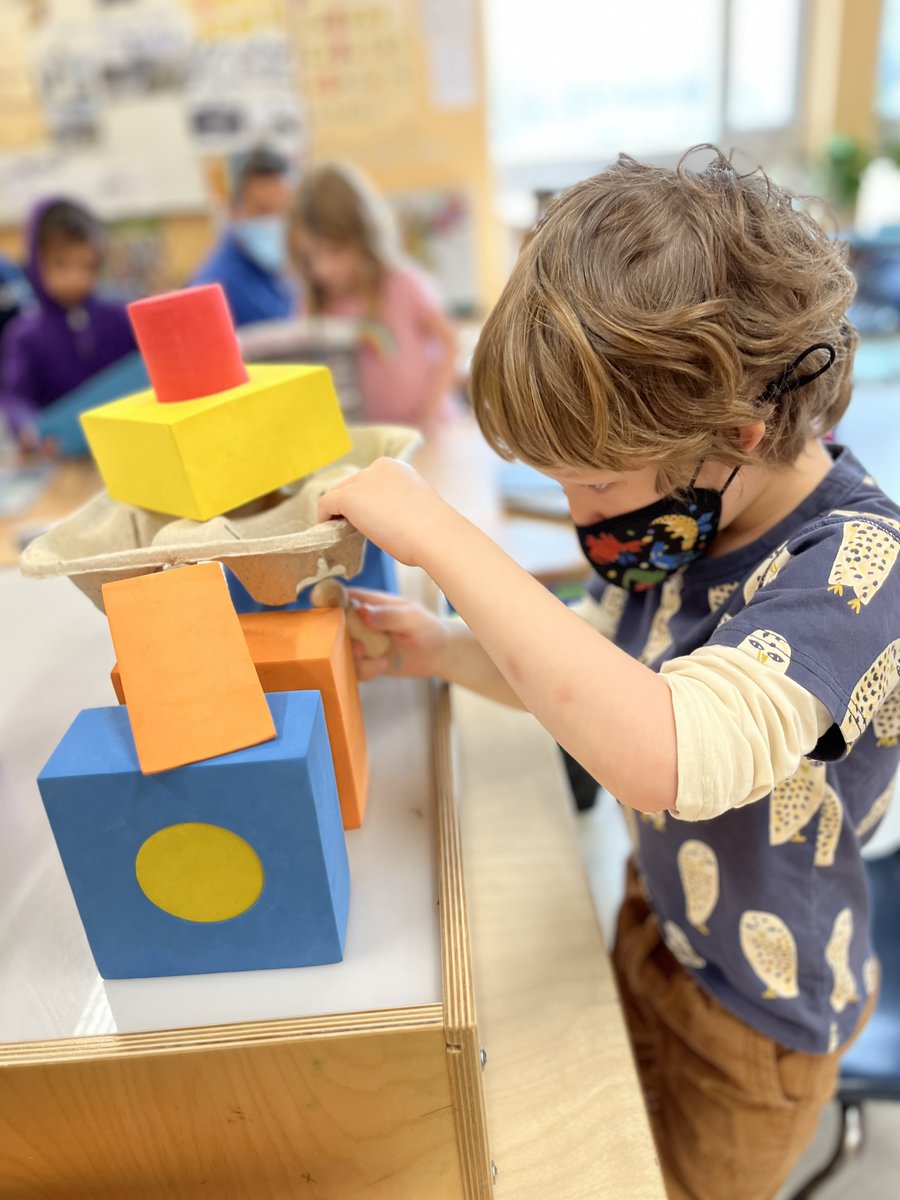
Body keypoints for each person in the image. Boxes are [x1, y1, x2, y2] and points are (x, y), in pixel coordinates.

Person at [316, 149, 900, 1200]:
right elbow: (593, 666)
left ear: (735, 437)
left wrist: (447, 540)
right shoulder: (681, 524)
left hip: (760, 1016)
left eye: (592, 483)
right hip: (659, 918)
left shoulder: (858, 570)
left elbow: (666, 752)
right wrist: (444, 651)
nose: (579, 515)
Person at [289, 161, 458, 430]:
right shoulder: (311, 306)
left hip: (428, 433)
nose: (323, 269)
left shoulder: (403, 284)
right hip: (371, 441)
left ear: (364, 236)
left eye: (335, 251)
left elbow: (450, 342)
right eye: (311, 256)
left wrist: (429, 414)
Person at [0, 198, 135, 448]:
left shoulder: (121, 317)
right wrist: (28, 428)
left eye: (87, 266)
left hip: (126, 444)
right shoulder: (23, 336)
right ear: (36, 262)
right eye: (61, 264)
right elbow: (16, 398)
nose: (75, 278)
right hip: (61, 454)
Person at [191, 147, 295, 327]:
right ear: (235, 211)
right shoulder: (217, 285)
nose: (275, 222)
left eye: (282, 211)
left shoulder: (273, 269)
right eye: (263, 211)